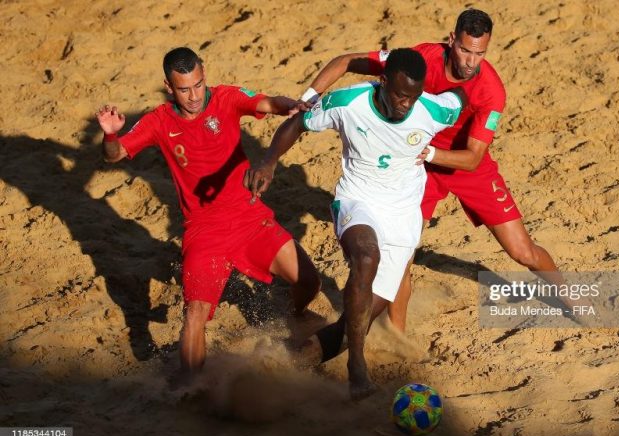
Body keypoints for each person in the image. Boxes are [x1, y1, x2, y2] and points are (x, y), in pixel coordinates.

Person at [302, 8, 580, 332]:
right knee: (402, 255)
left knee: (522, 251)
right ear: (452, 41)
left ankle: (572, 300)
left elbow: (473, 158)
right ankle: (398, 336)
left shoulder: (491, 90)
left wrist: (430, 151)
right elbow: (348, 61)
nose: (470, 62)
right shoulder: (422, 58)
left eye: (479, 53)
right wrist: (308, 97)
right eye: (464, 50)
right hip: (417, 167)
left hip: (460, 163)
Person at [245, 48, 463, 399]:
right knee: (365, 257)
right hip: (358, 199)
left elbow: (463, 94)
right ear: (382, 81)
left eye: (414, 96)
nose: (406, 105)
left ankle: (286, 364)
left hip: (403, 219)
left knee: (352, 326)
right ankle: (356, 369)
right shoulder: (348, 102)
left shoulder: (434, 109)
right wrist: (269, 161)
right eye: (400, 95)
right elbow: (298, 122)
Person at [96, 47, 321, 377]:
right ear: (169, 87)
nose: (193, 96)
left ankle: (290, 312)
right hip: (204, 230)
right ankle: (191, 389)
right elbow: (114, 156)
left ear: (204, 76)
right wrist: (111, 133)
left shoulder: (227, 98)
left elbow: (269, 103)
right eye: (184, 89)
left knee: (310, 282)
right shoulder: (159, 120)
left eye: (198, 84)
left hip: (249, 218)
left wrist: (293, 106)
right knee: (194, 315)